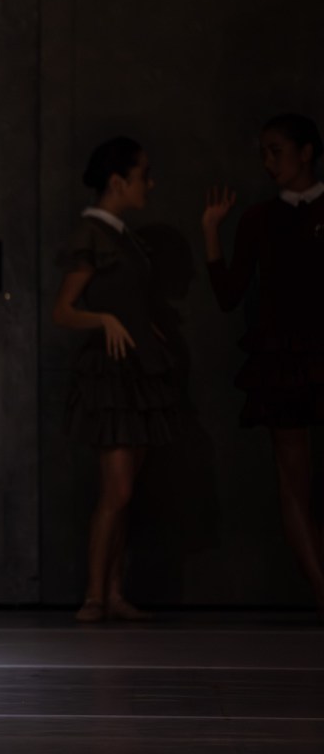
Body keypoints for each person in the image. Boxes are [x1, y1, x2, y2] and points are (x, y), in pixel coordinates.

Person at [201, 113, 324, 615]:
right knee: (292, 481)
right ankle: (322, 591)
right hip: (283, 359)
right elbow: (229, 295)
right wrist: (211, 231)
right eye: (264, 153)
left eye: (277, 150)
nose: (269, 161)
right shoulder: (257, 219)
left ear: (306, 152)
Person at [53, 137, 177, 622]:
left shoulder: (124, 236)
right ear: (117, 181)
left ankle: (115, 590)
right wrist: (103, 319)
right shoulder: (91, 234)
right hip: (111, 377)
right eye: (143, 173)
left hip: (139, 372)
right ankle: (94, 594)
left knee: (129, 490)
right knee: (117, 488)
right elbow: (63, 310)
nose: (150, 182)